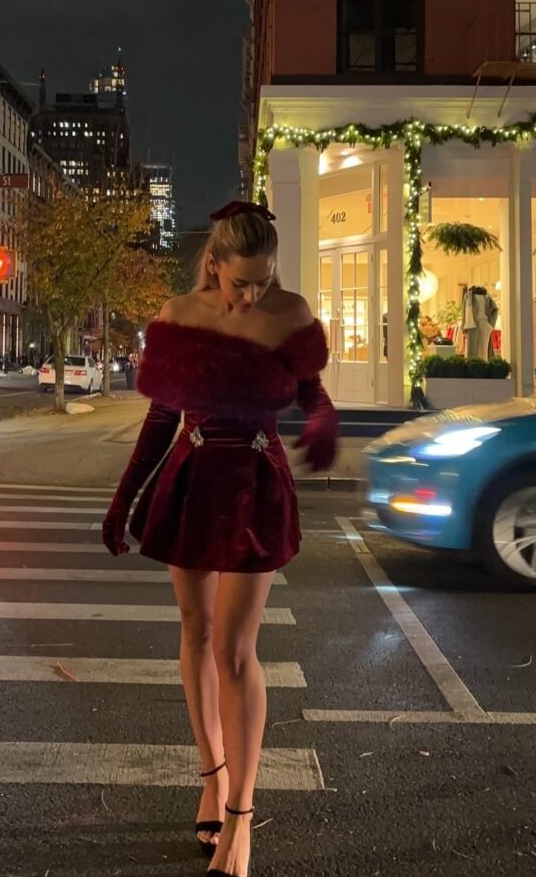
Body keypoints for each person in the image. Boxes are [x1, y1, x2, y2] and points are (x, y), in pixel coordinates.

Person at [102, 200, 339, 877]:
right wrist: (124, 501)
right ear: (214, 263)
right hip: (192, 477)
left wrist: (320, 422)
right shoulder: (178, 316)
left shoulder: (289, 313)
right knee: (195, 632)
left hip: (256, 484)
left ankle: (241, 815)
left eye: (262, 281)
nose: (252, 293)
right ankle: (211, 775)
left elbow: (310, 390)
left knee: (236, 651)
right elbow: (158, 419)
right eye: (242, 282)